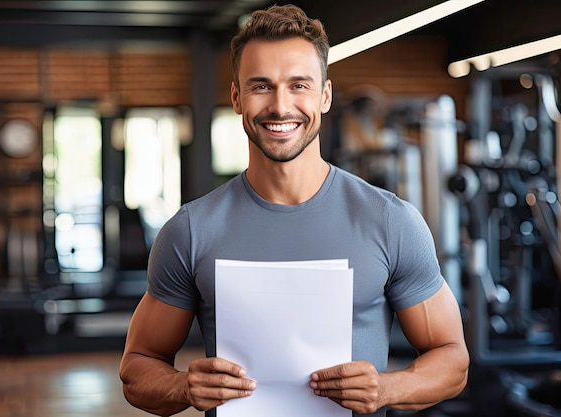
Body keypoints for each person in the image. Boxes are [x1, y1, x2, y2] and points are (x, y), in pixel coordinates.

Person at [119, 4, 469, 417]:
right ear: (237, 98)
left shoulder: (390, 221)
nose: (281, 106)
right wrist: (182, 386)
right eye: (261, 86)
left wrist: (388, 387)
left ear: (325, 96)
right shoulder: (191, 230)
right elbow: (137, 368)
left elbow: (453, 360)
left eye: (299, 85)